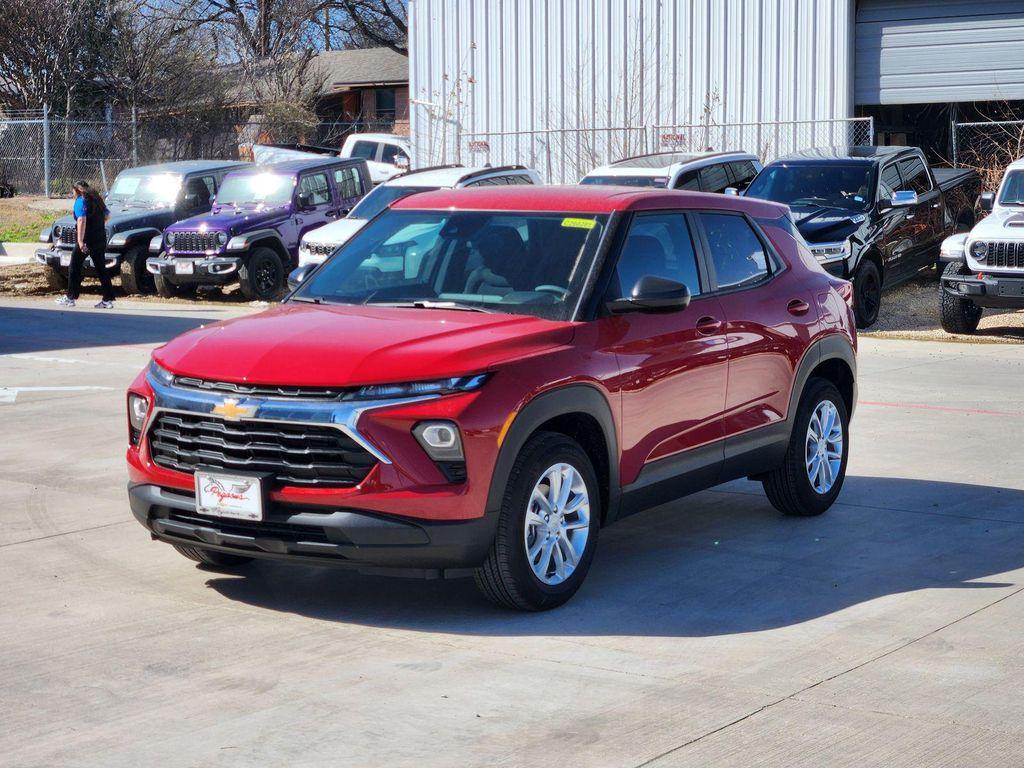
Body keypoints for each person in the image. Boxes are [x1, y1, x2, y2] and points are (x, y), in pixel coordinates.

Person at [55, 180, 115, 308]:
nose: (72, 194)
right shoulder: (97, 200)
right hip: (100, 238)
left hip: (87, 240)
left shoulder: (81, 200)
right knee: (101, 268)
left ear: (77, 191)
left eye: (73, 192)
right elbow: (108, 216)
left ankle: (70, 298)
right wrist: (97, 226)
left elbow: (81, 220)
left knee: (74, 267)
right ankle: (107, 300)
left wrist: (81, 241)